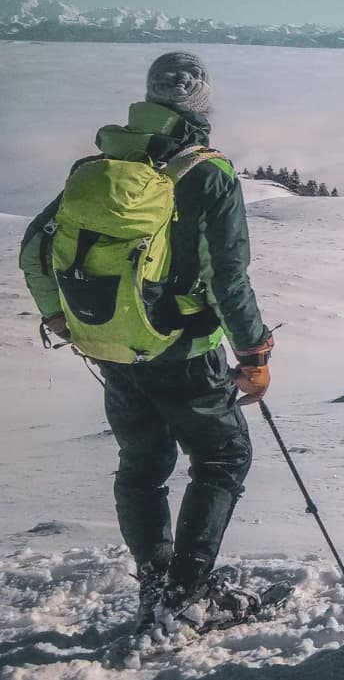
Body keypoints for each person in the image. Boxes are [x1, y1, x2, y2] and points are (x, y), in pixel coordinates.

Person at [18, 51, 274, 631]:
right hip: (181, 350)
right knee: (222, 455)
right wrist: (254, 353)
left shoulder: (107, 161)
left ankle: (158, 587)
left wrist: (60, 316)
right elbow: (226, 278)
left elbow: (35, 247)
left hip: (110, 346)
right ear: (203, 103)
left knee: (142, 465)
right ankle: (185, 598)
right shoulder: (209, 173)